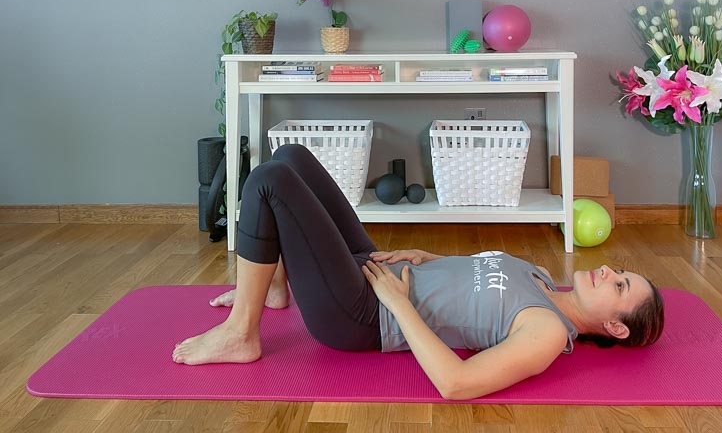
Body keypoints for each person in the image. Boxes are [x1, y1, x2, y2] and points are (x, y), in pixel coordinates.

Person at [173, 144, 664, 400]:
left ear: (616, 326)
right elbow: (471, 283)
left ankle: (242, 332)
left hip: (365, 314)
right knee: (291, 159)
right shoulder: (539, 277)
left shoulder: (546, 333)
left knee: (268, 182)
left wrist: (400, 304)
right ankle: (273, 287)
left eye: (619, 284)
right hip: (382, 272)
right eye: (619, 269)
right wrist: (426, 256)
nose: (606, 269)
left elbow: (456, 383)